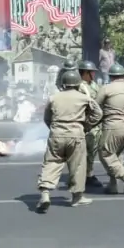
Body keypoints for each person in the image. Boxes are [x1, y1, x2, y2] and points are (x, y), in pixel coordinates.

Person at [35, 70, 103, 213]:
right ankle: (77, 198)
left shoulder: (53, 97)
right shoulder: (84, 98)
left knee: (51, 162)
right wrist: (87, 125)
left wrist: (54, 128)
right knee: (77, 166)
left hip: (57, 134)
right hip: (76, 134)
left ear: (63, 83)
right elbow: (98, 113)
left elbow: (47, 117)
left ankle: (45, 194)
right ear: (78, 83)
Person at [94, 63, 124, 194]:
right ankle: (113, 184)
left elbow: (95, 106)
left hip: (112, 125)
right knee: (117, 155)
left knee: (105, 153)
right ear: (123, 76)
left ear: (111, 76)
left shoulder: (106, 88)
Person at [77, 60, 103, 189]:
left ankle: (88, 173)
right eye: (91, 72)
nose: (94, 74)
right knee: (87, 151)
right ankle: (87, 175)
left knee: (92, 150)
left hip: (96, 122)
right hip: (87, 123)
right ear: (85, 73)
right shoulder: (81, 87)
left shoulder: (92, 84)